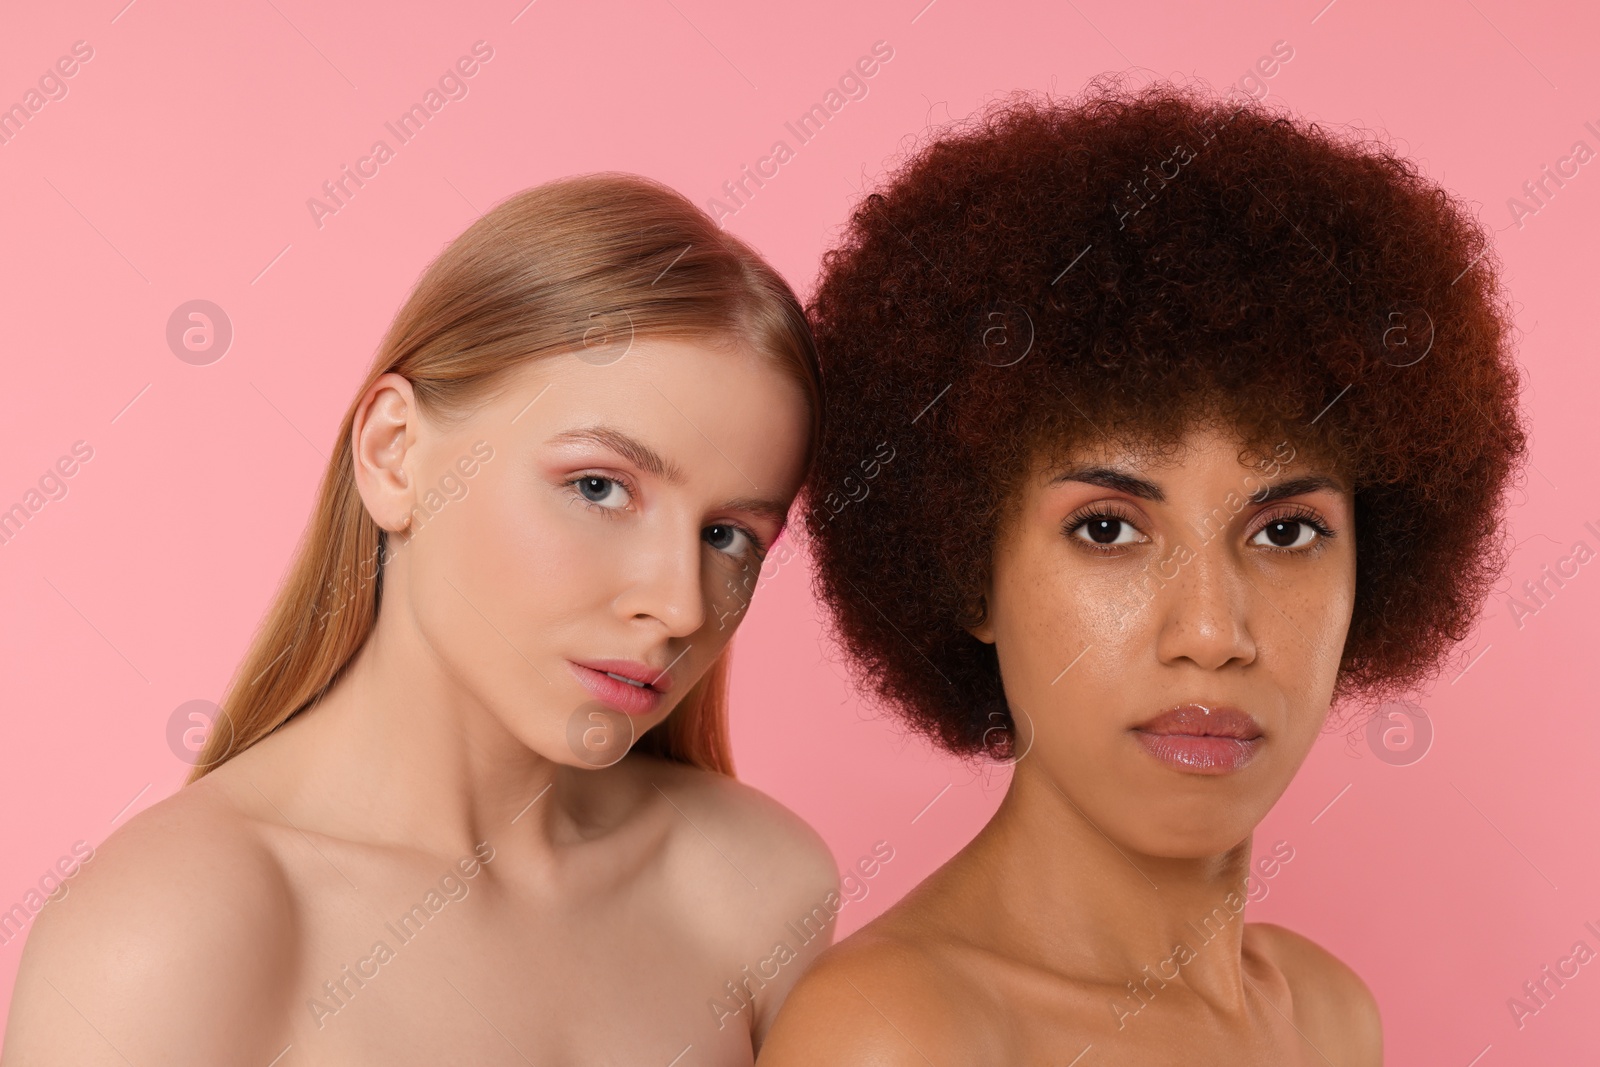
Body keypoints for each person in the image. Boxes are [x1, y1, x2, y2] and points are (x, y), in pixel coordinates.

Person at [759, 78, 1525, 1065]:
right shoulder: (900, 1034)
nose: (1211, 631)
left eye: (1286, 531)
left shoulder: (1329, 1017)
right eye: (1108, 528)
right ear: (967, 572)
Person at [5, 173, 838, 1065]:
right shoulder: (167, 941)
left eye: (728, 535)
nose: (677, 603)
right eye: (598, 486)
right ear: (395, 455)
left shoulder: (758, 889)